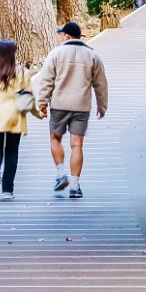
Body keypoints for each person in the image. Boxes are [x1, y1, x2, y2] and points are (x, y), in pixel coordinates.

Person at [35, 22, 108, 199]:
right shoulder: (93, 56)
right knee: (77, 145)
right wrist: (102, 105)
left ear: (67, 36)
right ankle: (75, 186)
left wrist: (42, 104)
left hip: (59, 105)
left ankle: (61, 174)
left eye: (62, 34)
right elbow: (101, 84)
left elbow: (46, 81)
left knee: (55, 138)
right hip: (81, 107)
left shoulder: (56, 54)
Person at [0, 40, 44, 200]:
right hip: (14, 115)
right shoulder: (22, 72)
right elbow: (28, 97)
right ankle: (8, 190)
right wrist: (38, 113)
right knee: (12, 152)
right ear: (13, 53)